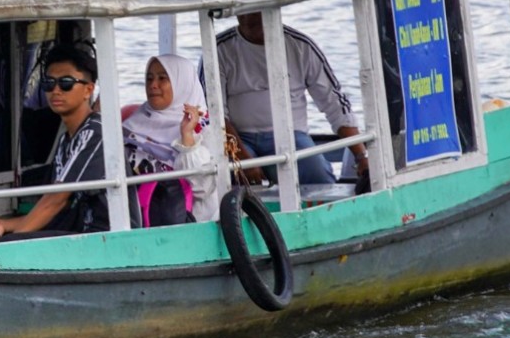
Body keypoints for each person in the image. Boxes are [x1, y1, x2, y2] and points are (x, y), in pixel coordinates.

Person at [215, 11, 368, 189]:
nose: (249, 17)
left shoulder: (301, 46)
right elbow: (214, 115)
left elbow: (334, 104)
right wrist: (242, 159)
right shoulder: (218, 49)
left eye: (257, 11)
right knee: (228, 177)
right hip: (240, 139)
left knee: (319, 176)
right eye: (243, 11)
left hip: (291, 136)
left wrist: (361, 156)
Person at [0, 42, 108, 242]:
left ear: (88, 90)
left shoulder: (94, 132)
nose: (55, 90)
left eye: (65, 83)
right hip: (78, 232)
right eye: (49, 83)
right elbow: (54, 205)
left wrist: (8, 244)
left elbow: (56, 200)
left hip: (103, 237)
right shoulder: (67, 140)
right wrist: (3, 225)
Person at [125, 52, 223, 223]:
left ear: (181, 84)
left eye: (162, 78)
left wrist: (187, 138)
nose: (153, 85)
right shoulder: (135, 122)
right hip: (140, 217)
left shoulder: (203, 128)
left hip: (192, 221)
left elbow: (202, 188)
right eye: (149, 79)